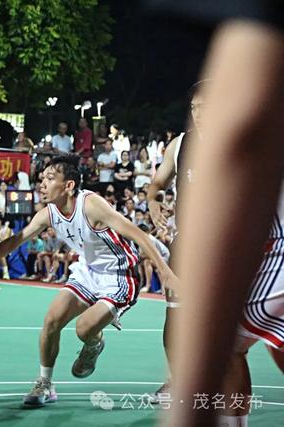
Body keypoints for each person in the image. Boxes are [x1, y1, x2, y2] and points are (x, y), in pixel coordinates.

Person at [152, 5, 284, 426]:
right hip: (211, 246)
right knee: (216, 339)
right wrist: (158, 215)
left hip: (265, 251)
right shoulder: (181, 145)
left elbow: (243, 132)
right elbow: (156, 187)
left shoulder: (241, 113)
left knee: (223, 339)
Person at [0, 154, 177, 407]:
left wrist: (165, 272)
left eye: (49, 178)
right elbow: (13, 242)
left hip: (119, 275)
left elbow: (139, 235)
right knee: (51, 320)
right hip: (87, 272)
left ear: (68, 185)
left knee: (83, 329)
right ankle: (45, 383)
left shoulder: (91, 205)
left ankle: (94, 343)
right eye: (42, 178)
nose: (42, 184)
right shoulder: (48, 213)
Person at [146, 81, 205, 402]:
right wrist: (154, 204)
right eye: (194, 108)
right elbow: (156, 186)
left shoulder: (238, 140)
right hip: (185, 245)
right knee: (176, 313)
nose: (199, 114)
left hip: (227, 248)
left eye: (205, 107)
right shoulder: (180, 145)